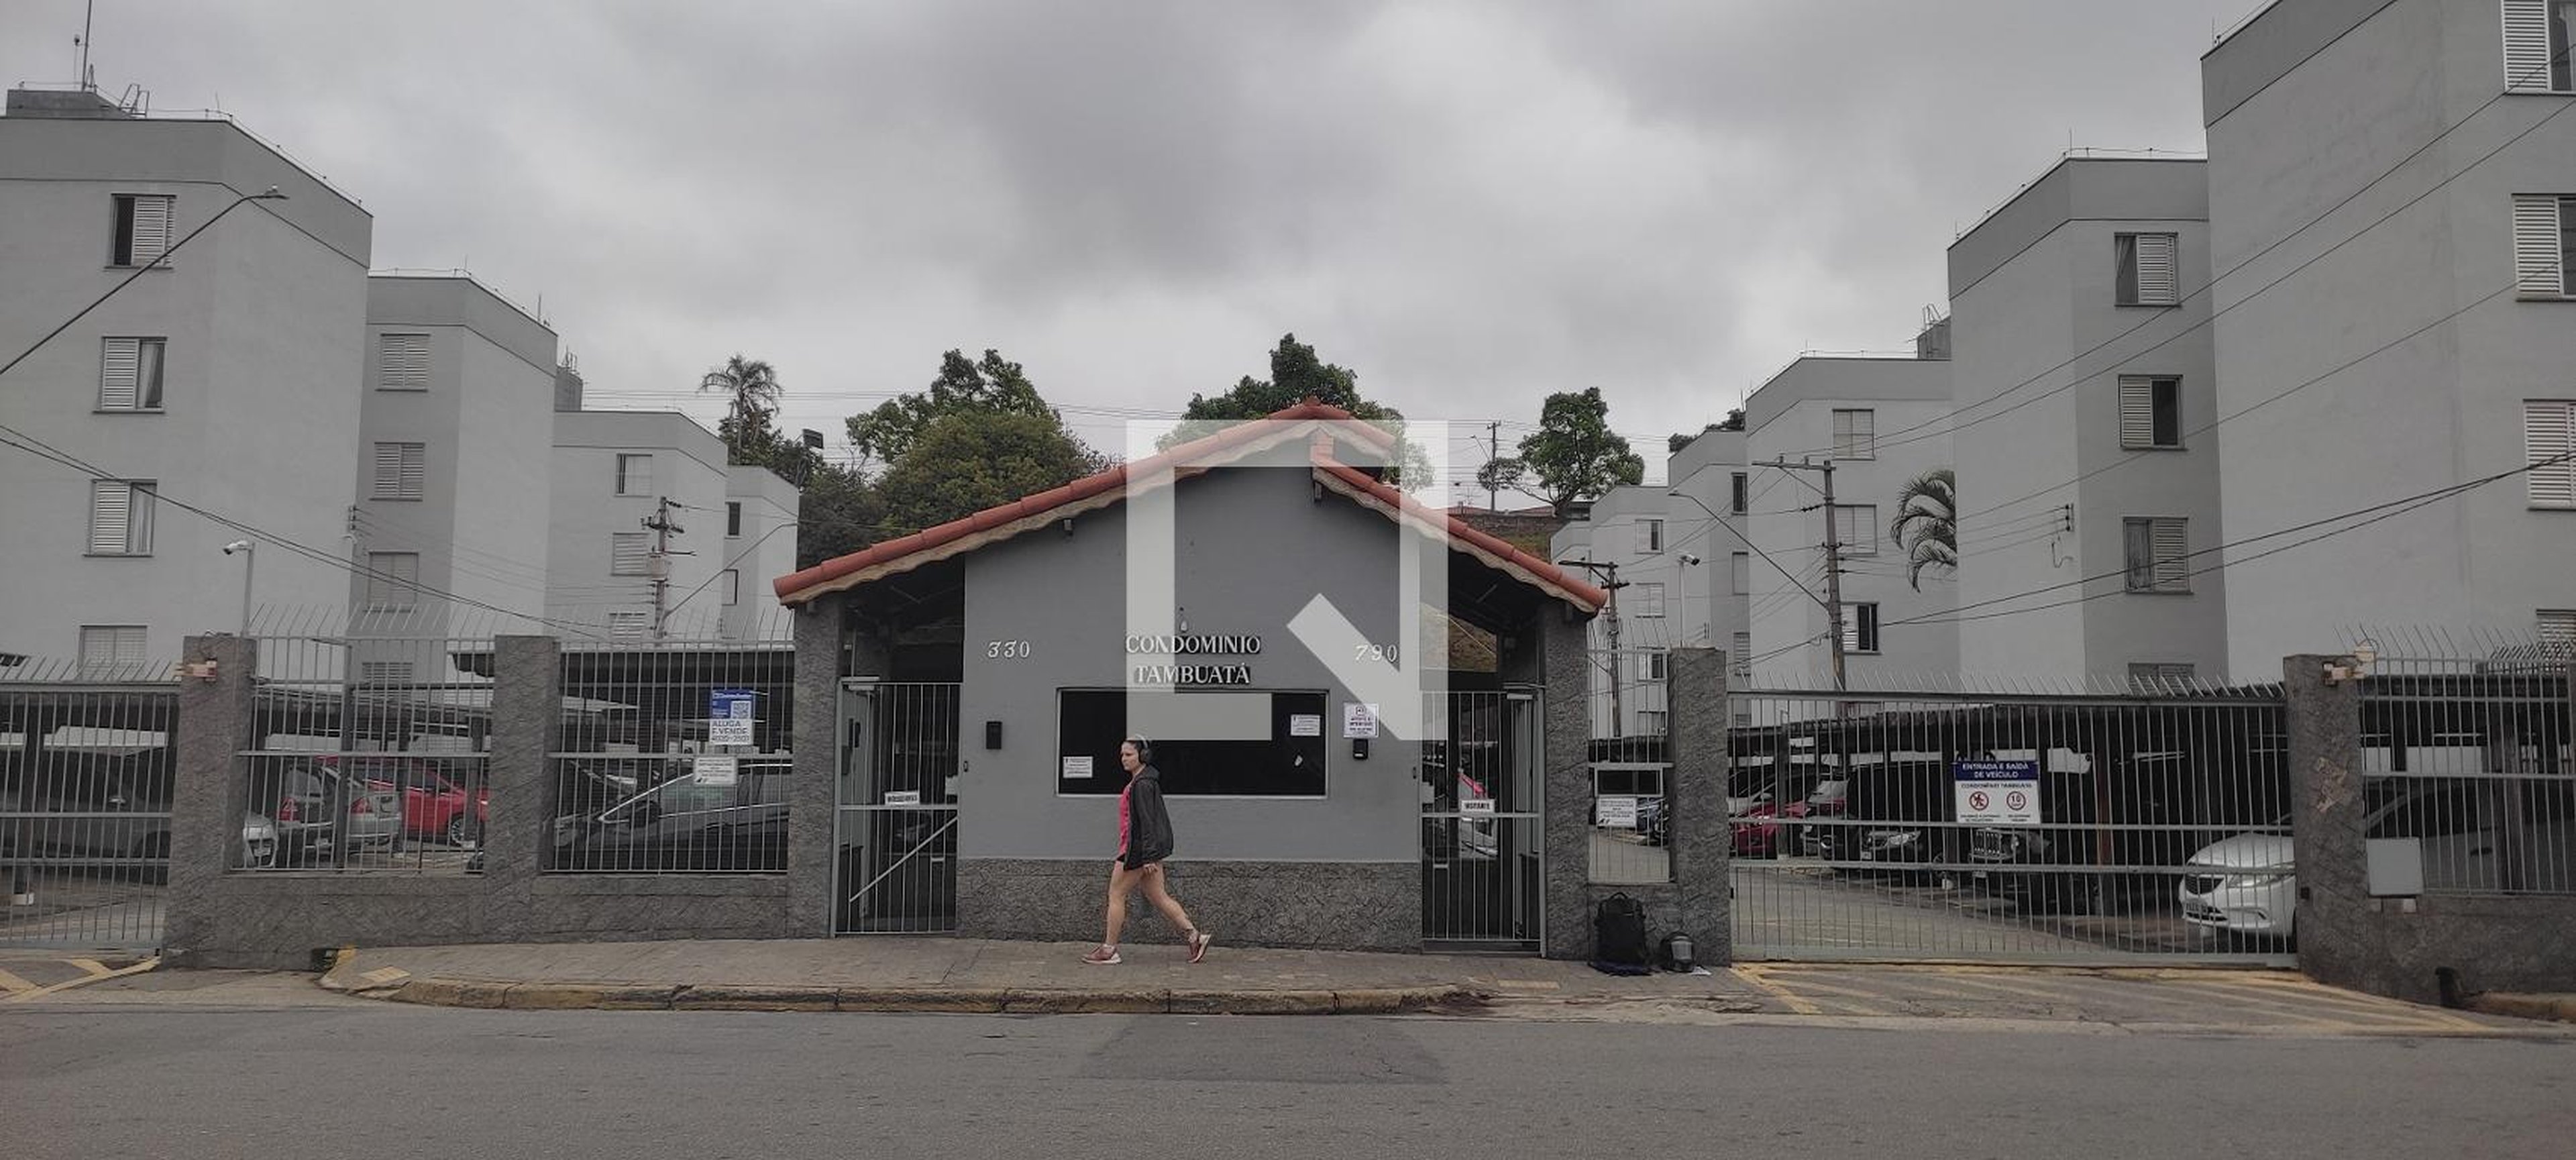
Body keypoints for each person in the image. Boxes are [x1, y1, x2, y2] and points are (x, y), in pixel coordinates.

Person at [1083, 736, 1212, 965]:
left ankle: (1109, 950)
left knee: (1116, 895)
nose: (1124, 759)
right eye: (1122, 755)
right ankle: (1195, 937)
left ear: (1143, 756)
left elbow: (1147, 822)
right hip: (1143, 851)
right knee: (1158, 896)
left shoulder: (1142, 784)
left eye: (1129, 755)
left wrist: (1148, 856)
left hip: (1135, 851)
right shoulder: (1143, 781)